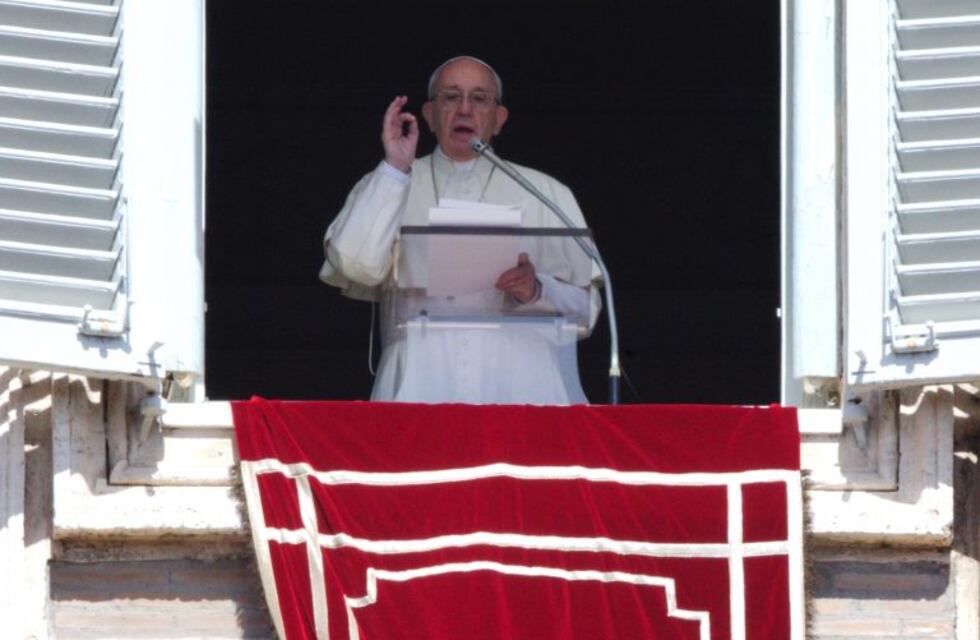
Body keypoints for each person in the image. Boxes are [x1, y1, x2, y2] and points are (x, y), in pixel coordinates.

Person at [320, 56, 602, 404]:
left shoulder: (546, 192)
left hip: (523, 386)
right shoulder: (389, 182)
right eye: (451, 97)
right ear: (429, 114)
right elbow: (353, 265)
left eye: (480, 98)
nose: (465, 109)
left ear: (498, 120)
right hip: (421, 382)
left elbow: (587, 311)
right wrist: (395, 168)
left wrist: (535, 289)